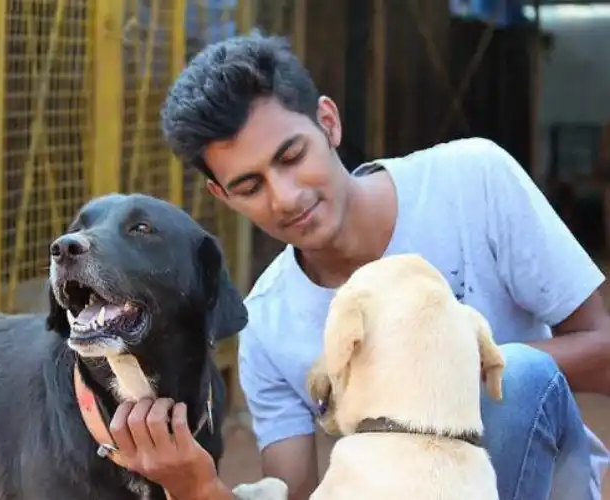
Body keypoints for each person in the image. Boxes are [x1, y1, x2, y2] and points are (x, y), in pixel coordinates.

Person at [105, 33, 610, 500]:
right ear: (223, 196)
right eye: (250, 186)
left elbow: (603, 350)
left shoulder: (473, 181)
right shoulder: (269, 323)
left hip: (540, 480)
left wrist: (450, 363)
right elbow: (295, 492)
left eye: (292, 156)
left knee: (519, 376)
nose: (286, 197)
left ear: (328, 122)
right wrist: (196, 486)